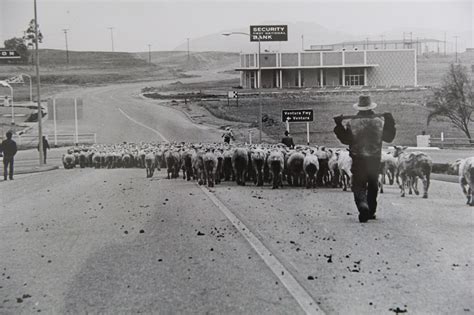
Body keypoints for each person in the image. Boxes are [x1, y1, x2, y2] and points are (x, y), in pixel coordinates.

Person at [333, 95, 396, 223]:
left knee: (358, 184)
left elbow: (346, 140)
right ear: (371, 107)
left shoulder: (352, 123)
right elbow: (389, 138)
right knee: (373, 184)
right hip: (374, 158)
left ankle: (363, 205)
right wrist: (390, 122)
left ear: (359, 108)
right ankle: (371, 210)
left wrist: (339, 125)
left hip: (358, 158)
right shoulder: (379, 121)